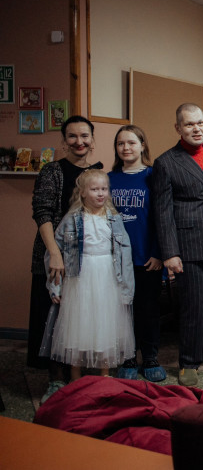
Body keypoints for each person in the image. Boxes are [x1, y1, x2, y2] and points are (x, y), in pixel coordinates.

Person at [152, 103, 203, 387]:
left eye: (200, 123)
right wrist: (170, 253)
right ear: (178, 128)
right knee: (192, 305)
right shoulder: (165, 162)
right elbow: (162, 211)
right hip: (188, 245)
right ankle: (188, 362)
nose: (197, 129)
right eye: (189, 124)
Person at [30, 115, 103, 403]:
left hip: (86, 259)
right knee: (52, 318)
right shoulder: (52, 171)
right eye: (72, 136)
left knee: (76, 320)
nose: (79, 141)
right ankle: (55, 380)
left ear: (92, 140)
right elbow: (42, 212)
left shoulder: (98, 172)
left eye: (84, 136)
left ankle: (78, 376)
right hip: (54, 254)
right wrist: (55, 254)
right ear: (64, 141)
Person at [48, 170, 135, 381]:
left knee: (106, 324)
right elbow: (55, 254)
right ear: (83, 192)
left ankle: (105, 374)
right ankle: (75, 375)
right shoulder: (71, 219)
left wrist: (127, 289)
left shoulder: (114, 219)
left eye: (104, 189)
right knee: (79, 325)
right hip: (80, 278)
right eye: (94, 189)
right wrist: (55, 287)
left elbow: (125, 255)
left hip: (107, 277)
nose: (100, 193)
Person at [108, 125, 166, 382]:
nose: (126, 148)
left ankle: (150, 357)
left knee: (148, 308)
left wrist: (158, 253)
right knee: (123, 310)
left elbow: (163, 218)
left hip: (147, 257)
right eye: (120, 143)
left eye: (131, 142)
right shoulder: (109, 179)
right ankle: (128, 357)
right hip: (116, 260)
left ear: (142, 145)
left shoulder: (154, 176)